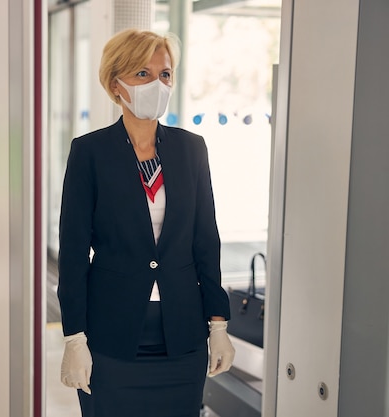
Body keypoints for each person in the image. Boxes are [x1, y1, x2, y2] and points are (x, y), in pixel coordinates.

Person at [57, 28, 235, 417]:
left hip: (182, 334)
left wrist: (218, 325)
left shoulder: (192, 149)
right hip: (111, 335)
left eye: (165, 74)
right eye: (142, 74)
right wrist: (74, 336)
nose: (157, 83)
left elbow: (206, 240)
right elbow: (72, 252)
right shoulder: (89, 152)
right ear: (115, 84)